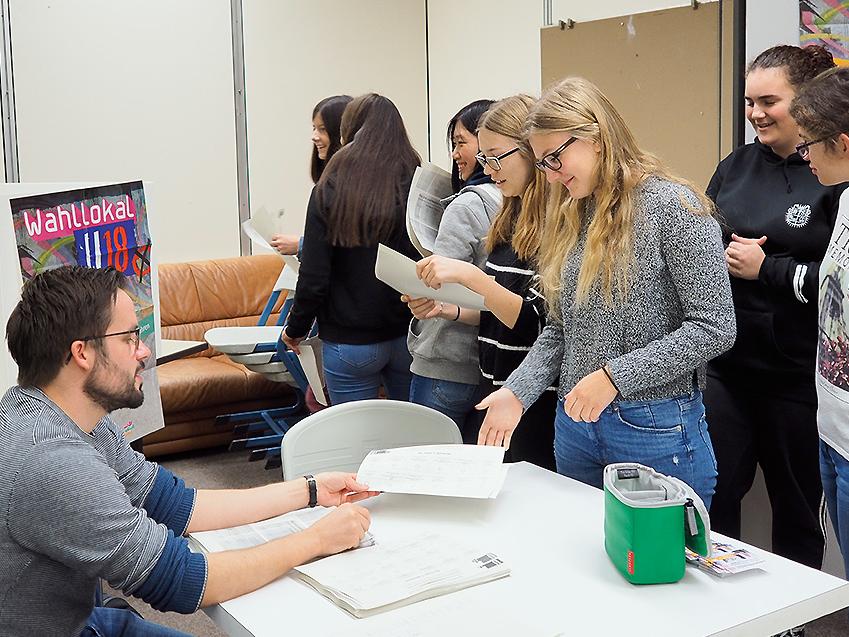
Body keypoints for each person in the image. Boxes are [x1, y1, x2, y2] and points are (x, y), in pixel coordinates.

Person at [0, 266, 376, 637]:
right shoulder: (52, 460)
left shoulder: (72, 417)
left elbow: (175, 504)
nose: (144, 351)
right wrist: (316, 541)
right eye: (130, 337)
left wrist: (309, 490)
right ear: (82, 353)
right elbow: (182, 581)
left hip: (76, 618)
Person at [474, 77, 736, 506]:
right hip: (576, 425)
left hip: (654, 427)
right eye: (543, 163)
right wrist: (517, 390)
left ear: (597, 137)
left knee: (659, 563)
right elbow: (560, 329)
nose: (553, 175)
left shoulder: (673, 208)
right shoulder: (571, 212)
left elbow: (714, 327)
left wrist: (616, 378)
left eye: (557, 157)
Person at [703, 45, 844, 570]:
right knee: (714, 498)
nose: (756, 113)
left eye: (769, 100)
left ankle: (793, 620)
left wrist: (768, 269)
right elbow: (704, 235)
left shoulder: (833, 174)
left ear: (805, 101)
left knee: (798, 511)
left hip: (799, 379)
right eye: (748, 101)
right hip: (730, 369)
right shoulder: (735, 166)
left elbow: (836, 281)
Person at [408, 95, 556, 470]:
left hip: (534, 396)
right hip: (496, 382)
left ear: (530, 151)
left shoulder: (559, 224)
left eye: (494, 157)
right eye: (484, 159)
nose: (487, 170)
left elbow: (532, 324)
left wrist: (471, 276)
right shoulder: (511, 214)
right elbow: (498, 311)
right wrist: (451, 309)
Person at [282, 93, 421, 404]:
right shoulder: (415, 180)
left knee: (355, 439)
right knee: (411, 435)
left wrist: (296, 329)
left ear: (349, 131)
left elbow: (315, 276)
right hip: (407, 334)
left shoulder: (330, 186)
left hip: (350, 343)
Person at [407, 99, 501, 430]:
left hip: (446, 360)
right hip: (489, 366)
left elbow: (442, 286)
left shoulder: (468, 205)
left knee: (428, 474)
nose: (454, 154)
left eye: (461, 143)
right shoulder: (514, 202)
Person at [790, 65, 849, 583]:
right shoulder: (845, 199)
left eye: (809, 144)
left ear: (844, 142)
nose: (802, 156)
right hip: (831, 425)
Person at [271, 94, 353, 255]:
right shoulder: (327, 182)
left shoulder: (348, 186)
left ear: (341, 132)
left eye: (322, 129)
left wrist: (302, 246)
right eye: (314, 128)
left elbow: (347, 252)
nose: (314, 137)